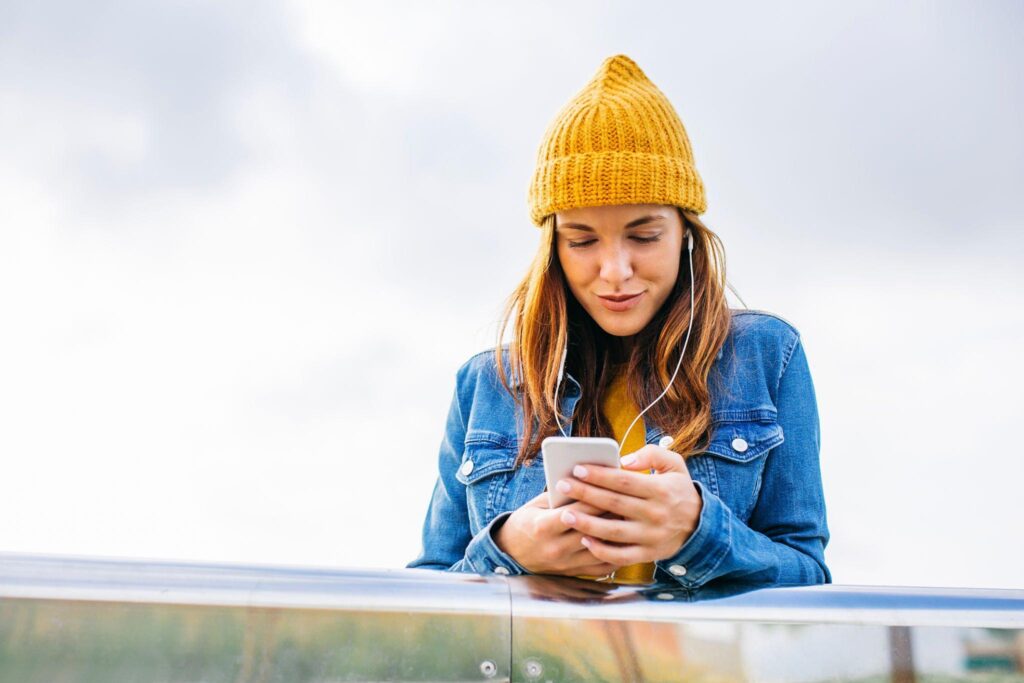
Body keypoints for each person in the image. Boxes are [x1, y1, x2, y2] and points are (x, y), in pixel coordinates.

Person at [406, 54, 830, 589]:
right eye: (582, 240)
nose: (615, 272)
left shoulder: (767, 354)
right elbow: (428, 591)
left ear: (685, 233)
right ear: (553, 248)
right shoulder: (486, 384)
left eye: (644, 235)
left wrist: (699, 533)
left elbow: (808, 576)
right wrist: (508, 549)